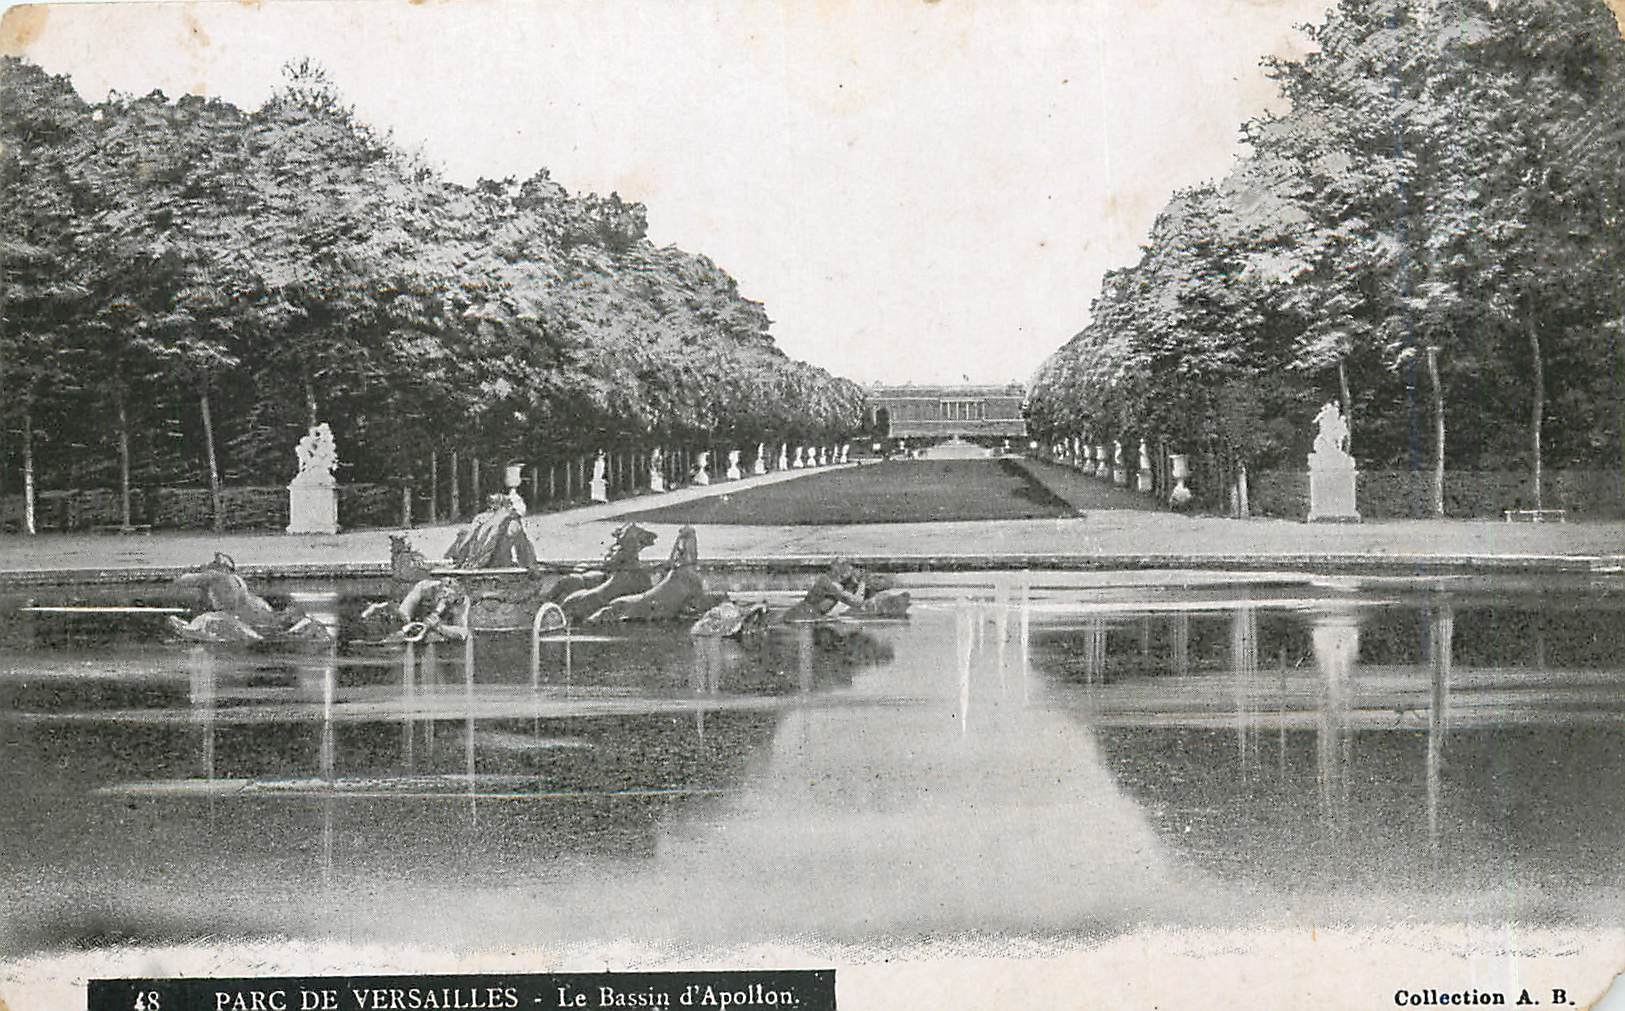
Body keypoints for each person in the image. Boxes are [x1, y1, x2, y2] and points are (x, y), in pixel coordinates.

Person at [445, 493, 538, 569]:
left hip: (474, 563)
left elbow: (466, 543)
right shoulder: (510, 523)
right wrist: (531, 566)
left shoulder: (481, 518)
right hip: (491, 565)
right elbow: (524, 553)